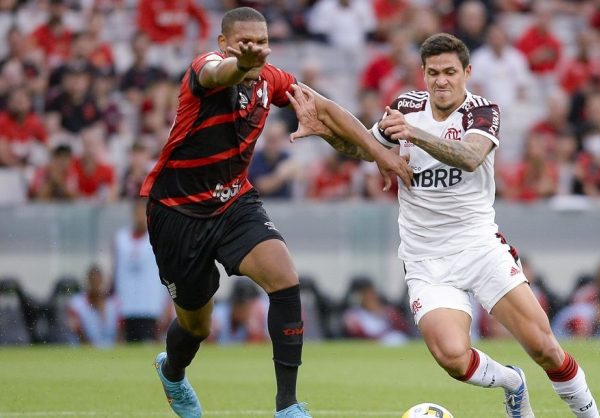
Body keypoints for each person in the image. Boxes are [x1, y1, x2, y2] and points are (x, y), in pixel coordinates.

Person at [289, 33, 600, 418]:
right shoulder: (406, 107)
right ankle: (512, 383)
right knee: (453, 358)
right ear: (423, 74)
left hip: (479, 247)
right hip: (426, 258)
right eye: (433, 72)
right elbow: (362, 149)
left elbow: (470, 157)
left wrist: (414, 134)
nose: (441, 80)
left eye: (450, 72)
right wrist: (328, 134)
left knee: (545, 348)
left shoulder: (482, 111)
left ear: (467, 72)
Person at [139, 7, 413, 418]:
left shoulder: (271, 79)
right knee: (197, 326)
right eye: (245, 43)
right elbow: (221, 73)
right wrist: (242, 62)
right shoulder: (205, 70)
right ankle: (173, 372)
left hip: (234, 202)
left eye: (263, 44)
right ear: (224, 44)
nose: (257, 51)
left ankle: (287, 406)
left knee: (284, 277)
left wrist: (381, 155)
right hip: (179, 213)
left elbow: (326, 108)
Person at [113, 198, 168, 342]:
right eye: (137, 213)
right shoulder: (121, 239)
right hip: (127, 305)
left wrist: (168, 303)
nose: (139, 217)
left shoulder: (159, 237)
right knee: (127, 345)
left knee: (150, 345)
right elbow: (116, 271)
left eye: (143, 213)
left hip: (151, 305)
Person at [67, 264, 121, 348]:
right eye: (93, 281)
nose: (96, 284)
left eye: (98, 280)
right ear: (88, 281)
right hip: (85, 350)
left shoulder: (114, 303)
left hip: (111, 350)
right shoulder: (77, 304)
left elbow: (120, 331)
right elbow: (77, 332)